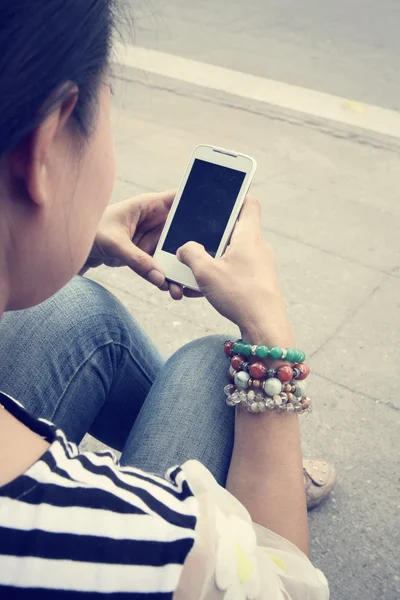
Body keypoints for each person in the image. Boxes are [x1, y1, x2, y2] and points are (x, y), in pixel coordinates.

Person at [0, 1, 333, 598]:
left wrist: (58, 245)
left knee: (78, 309)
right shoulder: (144, 546)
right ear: (43, 150)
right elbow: (285, 588)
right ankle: (256, 471)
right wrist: (270, 339)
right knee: (218, 365)